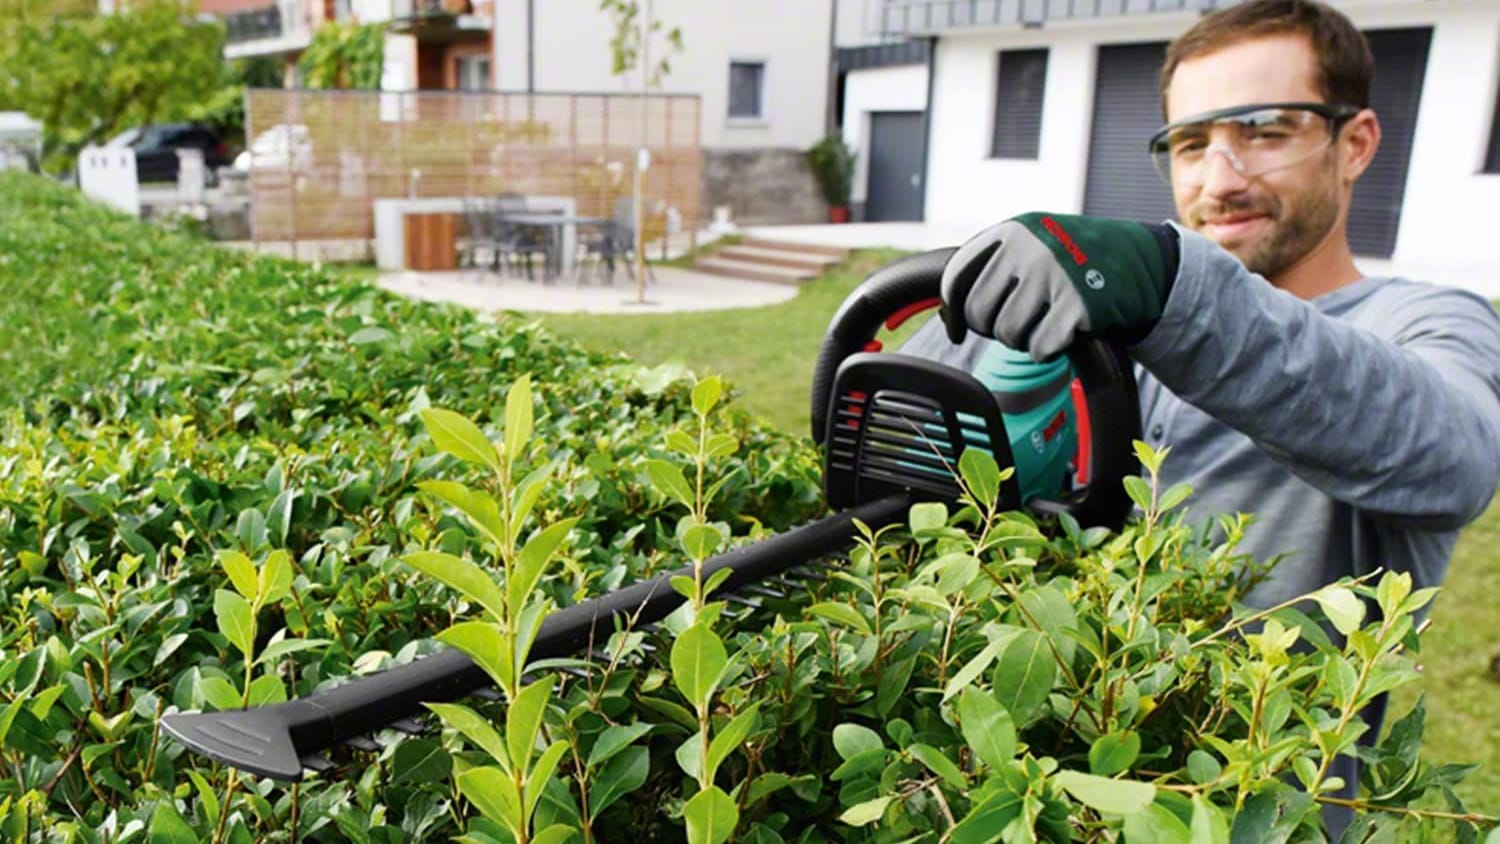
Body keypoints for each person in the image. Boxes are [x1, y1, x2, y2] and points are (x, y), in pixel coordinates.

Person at [906, 0, 1500, 835]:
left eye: (1264, 130)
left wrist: (1171, 286)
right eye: (1191, 143)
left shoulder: (1427, 322)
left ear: (1355, 142)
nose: (1220, 180)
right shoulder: (1123, 321)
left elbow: (1457, 455)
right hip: (1038, 796)